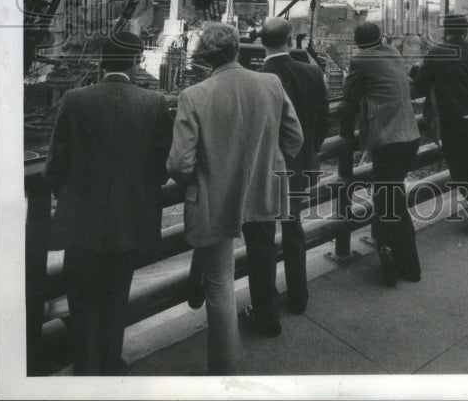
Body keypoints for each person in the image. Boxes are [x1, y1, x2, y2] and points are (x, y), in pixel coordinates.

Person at [167, 23, 303, 373]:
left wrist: (203, 177)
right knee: (263, 255)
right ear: (237, 49)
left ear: (206, 58)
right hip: (263, 192)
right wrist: (266, 166)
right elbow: (294, 137)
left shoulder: (194, 95)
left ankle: (226, 369)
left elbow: (180, 164)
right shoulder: (270, 83)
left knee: (220, 286)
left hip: (214, 200)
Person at [45, 31, 172, 375]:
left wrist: (69, 196)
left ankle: (86, 369)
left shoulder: (74, 98)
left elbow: (55, 166)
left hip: (82, 222)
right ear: (135, 61)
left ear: (103, 61)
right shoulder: (155, 103)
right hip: (129, 222)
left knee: (82, 301)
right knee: (116, 300)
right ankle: (111, 365)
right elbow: (160, 170)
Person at [241, 17, 330, 333]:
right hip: (302, 165)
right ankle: (299, 297)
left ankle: (265, 309)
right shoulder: (310, 72)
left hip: (266, 172)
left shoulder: (257, 78)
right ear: (290, 40)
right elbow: (323, 121)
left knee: (262, 239)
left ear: (261, 42)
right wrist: (310, 153)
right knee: (294, 228)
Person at [342, 21, 421, 286]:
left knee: (392, 204)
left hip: (388, 140)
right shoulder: (393, 53)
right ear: (380, 38)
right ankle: (386, 249)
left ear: (357, 40)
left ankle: (408, 265)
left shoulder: (361, 60)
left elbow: (348, 93)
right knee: (390, 198)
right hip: (409, 136)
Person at [411, 15, 468, 239]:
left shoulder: (436, 53)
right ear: (465, 31)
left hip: (461, 123)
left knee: (462, 173)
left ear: (445, 31)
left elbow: (420, 83)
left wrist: (419, 69)